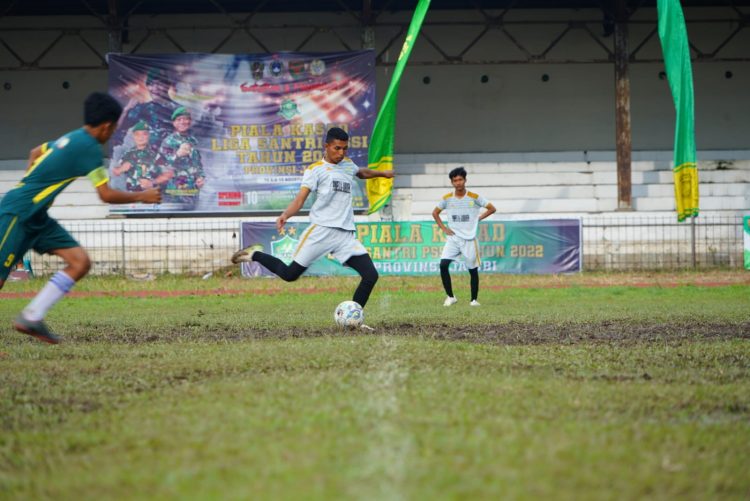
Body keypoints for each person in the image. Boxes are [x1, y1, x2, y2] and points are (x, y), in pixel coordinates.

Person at [0, 92, 162, 344]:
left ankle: (31, 317)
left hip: (36, 216)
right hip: (18, 213)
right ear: (107, 126)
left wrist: (34, 184)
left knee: (79, 262)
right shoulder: (90, 149)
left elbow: (35, 152)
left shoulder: (71, 138)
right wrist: (143, 196)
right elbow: (106, 195)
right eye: (116, 127)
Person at [231, 127, 393, 324]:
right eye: (337, 148)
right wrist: (285, 215)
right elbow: (300, 199)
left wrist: (383, 173)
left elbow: (361, 172)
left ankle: (353, 322)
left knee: (370, 276)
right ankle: (254, 254)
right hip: (321, 231)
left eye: (345, 149)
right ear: (326, 146)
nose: (341, 153)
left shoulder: (348, 164)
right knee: (290, 275)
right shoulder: (315, 170)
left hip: (345, 235)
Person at [432, 167, 496, 307]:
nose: (458, 182)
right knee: (443, 265)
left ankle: (473, 300)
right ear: (452, 182)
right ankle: (450, 297)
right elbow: (435, 213)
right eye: (455, 180)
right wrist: (444, 228)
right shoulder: (447, 198)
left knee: (472, 270)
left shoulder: (474, 197)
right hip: (453, 238)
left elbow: (492, 208)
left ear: (465, 180)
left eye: (460, 179)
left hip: (469, 240)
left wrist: (478, 219)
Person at [114, 68, 177, 149]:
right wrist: (126, 110)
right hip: (147, 156)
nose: (155, 88)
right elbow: (119, 128)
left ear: (168, 86)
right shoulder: (143, 108)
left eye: (159, 84)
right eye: (151, 84)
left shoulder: (178, 110)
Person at [159, 107, 205, 207]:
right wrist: (177, 155)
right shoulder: (168, 141)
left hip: (192, 189)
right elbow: (161, 164)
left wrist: (201, 177)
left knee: (193, 217)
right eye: (179, 119)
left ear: (190, 121)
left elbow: (197, 163)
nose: (183, 122)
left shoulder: (193, 140)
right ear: (174, 123)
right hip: (176, 190)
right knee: (177, 217)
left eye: (185, 119)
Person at [111, 121, 169, 192]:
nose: (140, 138)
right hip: (130, 193)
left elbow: (167, 174)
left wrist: (152, 183)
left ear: (149, 136)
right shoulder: (128, 154)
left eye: (144, 134)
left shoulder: (155, 155)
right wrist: (118, 170)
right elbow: (119, 170)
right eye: (137, 135)